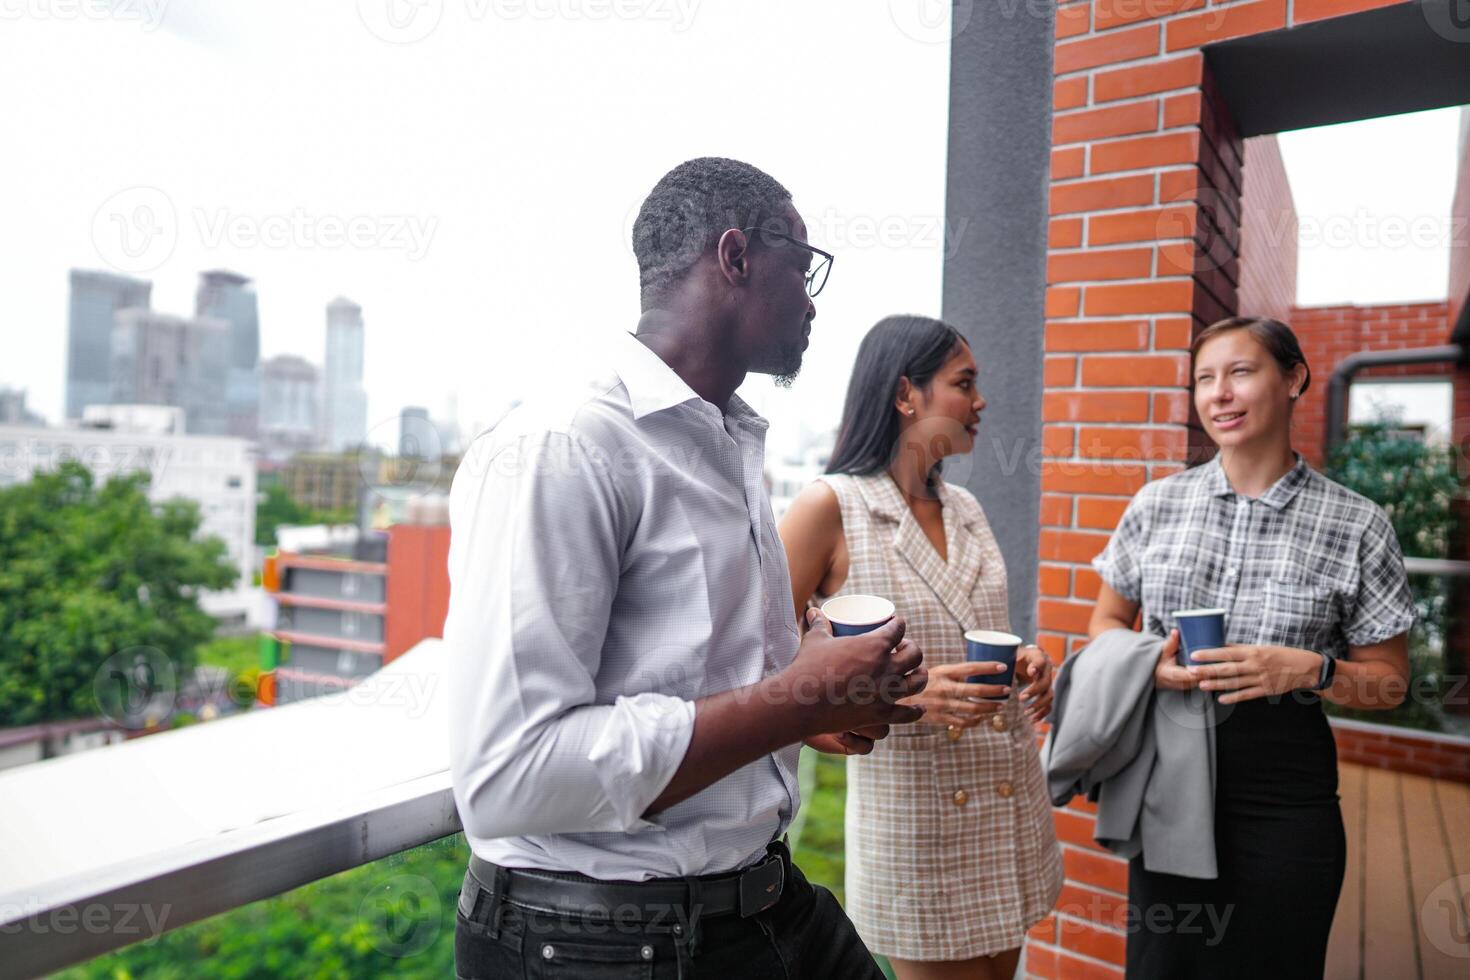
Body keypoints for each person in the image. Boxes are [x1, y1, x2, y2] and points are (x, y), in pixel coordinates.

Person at [445, 157, 929, 979]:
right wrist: (801, 693)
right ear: (735, 256)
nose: (813, 301)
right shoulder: (564, 448)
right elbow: (509, 776)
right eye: (803, 266)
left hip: (761, 903)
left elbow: (693, 676)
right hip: (600, 946)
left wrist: (813, 705)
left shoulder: (726, 441)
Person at [1087, 315, 1416, 977]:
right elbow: (1103, 627)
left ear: (1293, 378)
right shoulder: (1157, 504)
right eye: (1205, 379)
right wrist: (1151, 661)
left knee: (1277, 964)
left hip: (1285, 787)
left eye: (1240, 371)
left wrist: (1310, 669)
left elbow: (1390, 683)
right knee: (1166, 964)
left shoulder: (1357, 523)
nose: (1219, 394)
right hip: (1170, 771)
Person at [780, 315, 1062, 980]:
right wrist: (901, 696)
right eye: (964, 383)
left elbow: (973, 625)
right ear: (907, 394)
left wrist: (1028, 660)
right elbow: (764, 668)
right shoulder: (829, 507)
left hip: (1009, 802)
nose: (981, 400)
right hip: (916, 822)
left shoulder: (966, 506)